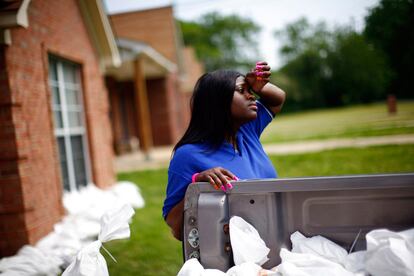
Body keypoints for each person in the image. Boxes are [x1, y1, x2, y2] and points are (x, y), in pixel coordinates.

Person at [163, 62, 286, 240]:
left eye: (249, 90)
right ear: (218, 101)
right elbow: (175, 226)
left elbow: (277, 99)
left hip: (272, 238)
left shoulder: (247, 131)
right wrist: (197, 186)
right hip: (229, 254)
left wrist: (260, 86)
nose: (251, 96)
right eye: (241, 90)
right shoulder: (187, 155)